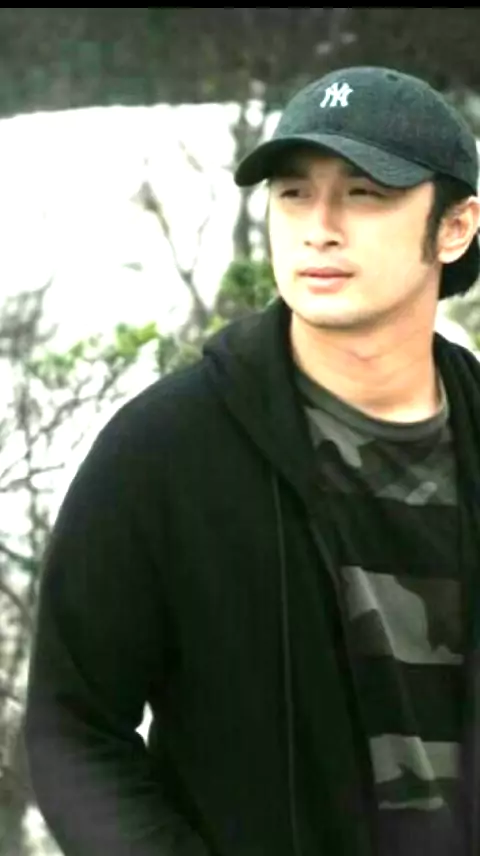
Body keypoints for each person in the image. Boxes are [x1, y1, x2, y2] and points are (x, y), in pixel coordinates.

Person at [25, 65, 480, 856]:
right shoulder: (163, 451)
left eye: (365, 193)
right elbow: (73, 727)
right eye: (293, 193)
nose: (319, 227)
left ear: (455, 227)